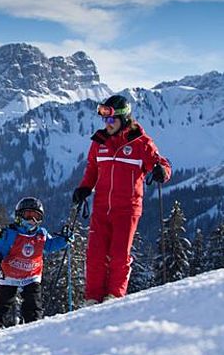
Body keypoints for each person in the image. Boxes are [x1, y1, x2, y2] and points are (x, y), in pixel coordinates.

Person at [72, 94, 171, 304]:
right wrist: (84, 188)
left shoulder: (141, 143)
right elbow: (92, 170)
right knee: (95, 255)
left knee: (118, 255)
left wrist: (162, 170)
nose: (107, 124)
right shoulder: (99, 142)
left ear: (124, 119)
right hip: (101, 208)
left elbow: (161, 164)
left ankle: (114, 297)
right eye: (104, 120)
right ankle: (92, 299)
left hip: (127, 208)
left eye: (111, 120)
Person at [0, 197, 70, 329]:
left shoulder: (41, 234)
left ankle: (34, 326)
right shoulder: (12, 233)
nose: (32, 220)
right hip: (11, 275)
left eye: (36, 216)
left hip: (31, 275)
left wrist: (64, 240)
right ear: (19, 216)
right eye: (28, 215)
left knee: (33, 303)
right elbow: (1, 248)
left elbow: (50, 245)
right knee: (2, 301)